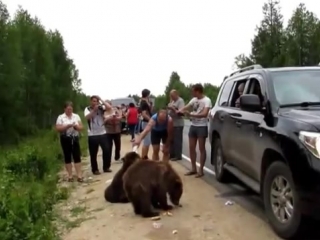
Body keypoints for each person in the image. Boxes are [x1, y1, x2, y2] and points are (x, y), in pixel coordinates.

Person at [178, 83, 212, 178]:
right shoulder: (194, 100)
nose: (192, 93)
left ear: (198, 91)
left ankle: (201, 169)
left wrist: (191, 115)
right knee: (191, 147)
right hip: (193, 125)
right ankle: (193, 168)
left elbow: (205, 114)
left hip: (202, 126)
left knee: (201, 148)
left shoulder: (207, 100)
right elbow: (187, 106)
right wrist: (180, 110)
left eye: (193, 91)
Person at [56, 101, 84, 182]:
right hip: (65, 138)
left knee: (77, 156)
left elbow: (81, 127)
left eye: (71, 109)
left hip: (74, 137)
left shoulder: (76, 116)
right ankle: (70, 176)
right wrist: (66, 126)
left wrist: (76, 127)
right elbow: (58, 128)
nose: (69, 111)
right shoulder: (61, 117)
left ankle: (79, 175)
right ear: (64, 109)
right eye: (68, 109)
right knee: (67, 156)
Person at [84, 95, 112, 175]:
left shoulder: (101, 108)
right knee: (93, 153)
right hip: (92, 134)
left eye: (96, 101)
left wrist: (101, 99)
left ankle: (106, 167)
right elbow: (87, 117)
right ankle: (95, 169)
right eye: (93, 101)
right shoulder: (87, 109)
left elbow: (109, 107)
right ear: (91, 101)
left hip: (102, 133)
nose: (95, 103)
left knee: (107, 150)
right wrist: (94, 111)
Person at [167, 89, 185, 161]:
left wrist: (173, 109)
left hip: (178, 123)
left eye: (173, 95)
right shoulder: (172, 101)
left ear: (176, 94)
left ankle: (178, 155)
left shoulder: (180, 101)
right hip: (172, 123)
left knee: (177, 140)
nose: (172, 97)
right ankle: (172, 154)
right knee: (171, 139)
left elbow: (181, 113)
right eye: (171, 96)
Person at [139, 89, 152, 159]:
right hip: (146, 122)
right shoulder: (143, 103)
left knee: (148, 141)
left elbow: (150, 110)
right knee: (146, 141)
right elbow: (144, 114)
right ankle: (143, 157)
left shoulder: (145, 102)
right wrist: (151, 120)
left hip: (146, 122)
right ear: (147, 94)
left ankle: (145, 156)